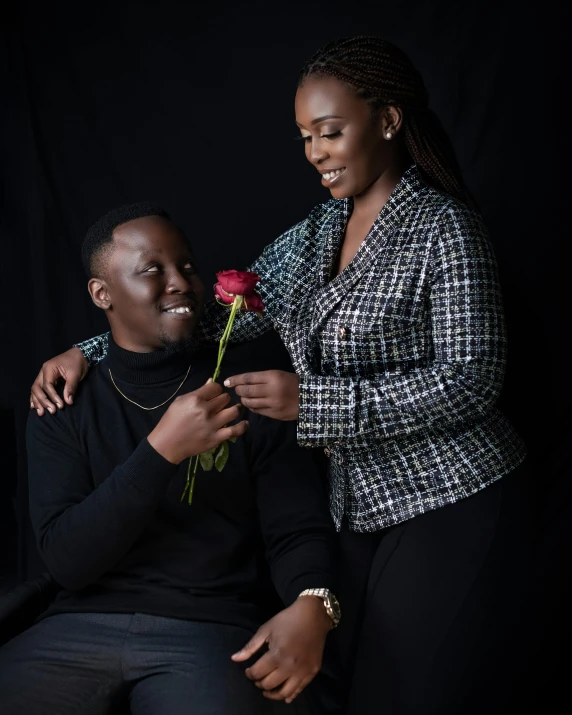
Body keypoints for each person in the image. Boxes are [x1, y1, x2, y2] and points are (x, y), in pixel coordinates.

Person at [30, 37, 528, 714]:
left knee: (402, 691)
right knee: (325, 691)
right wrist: (88, 349)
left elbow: (472, 380)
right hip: (354, 502)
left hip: (446, 493)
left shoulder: (445, 229)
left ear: (387, 120)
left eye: (330, 132)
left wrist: (314, 400)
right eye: (305, 137)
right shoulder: (317, 232)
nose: (315, 152)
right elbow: (203, 318)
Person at [4, 202, 342, 715]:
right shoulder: (61, 401)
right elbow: (67, 561)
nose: (180, 281)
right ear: (102, 294)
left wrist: (313, 603)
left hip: (209, 631)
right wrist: (162, 451)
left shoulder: (249, 394)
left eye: (186, 266)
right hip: (75, 628)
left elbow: (296, 531)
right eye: (151, 270)